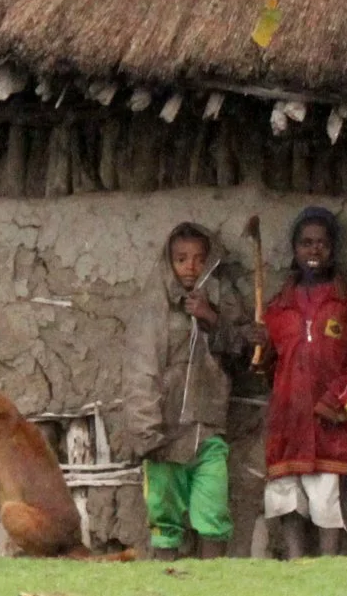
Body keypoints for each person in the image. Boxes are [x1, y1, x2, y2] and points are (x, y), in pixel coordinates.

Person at [122, 221, 250, 560]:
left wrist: (211, 317)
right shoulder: (154, 310)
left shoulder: (222, 303)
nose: (190, 267)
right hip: (164, 435)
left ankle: (210, 585)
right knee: (164, 520)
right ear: (169, 262)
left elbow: (244, 355)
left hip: (207, 432)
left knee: (213, 514)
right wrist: (148, 434)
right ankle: (167, 582)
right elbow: (140, 373)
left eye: (198, 259)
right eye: (181, 259)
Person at [253, 204, 347, 558]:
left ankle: (329, 570)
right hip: (289, 421)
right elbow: (267, 368)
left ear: (333, 248)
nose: (314, 250)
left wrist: (337, 402)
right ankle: (296, 565)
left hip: (331, 425)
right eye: (306, 243)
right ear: (294, 249)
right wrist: (260, 347)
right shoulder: (277, 309)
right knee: (289, 498)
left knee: (328, 502)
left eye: (321, 243)